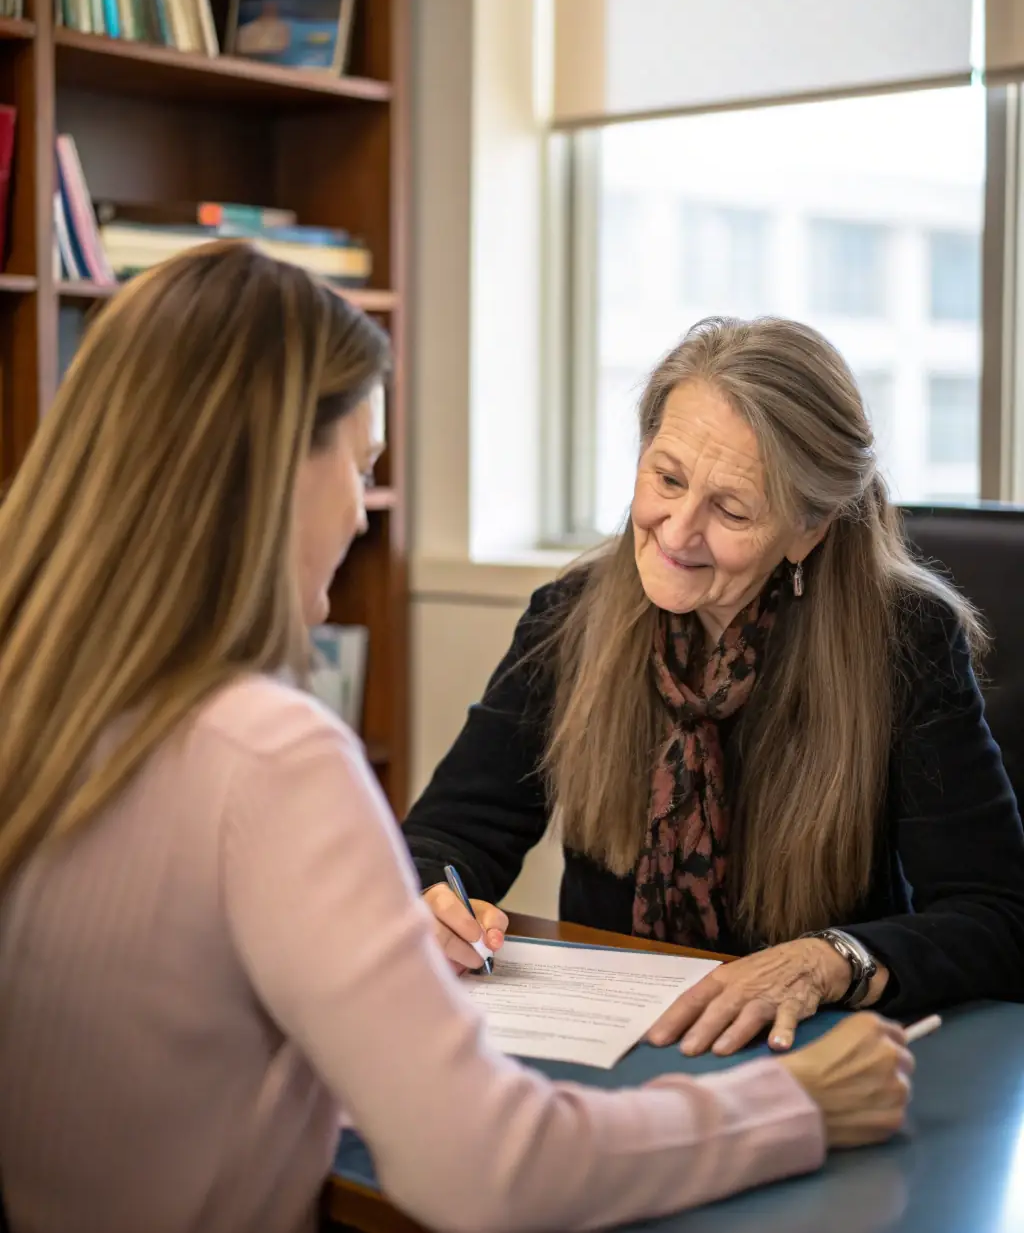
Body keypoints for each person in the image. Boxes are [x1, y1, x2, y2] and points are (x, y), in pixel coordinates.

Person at [0, 254, 913, 1233]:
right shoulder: (272, 758)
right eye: (358, 468)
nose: (361, 510)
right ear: (267, 476)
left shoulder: (41, 702)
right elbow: (490, 1170)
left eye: (730, 508)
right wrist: (801, 1103)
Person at [405, 315, 1024, 1058]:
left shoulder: (904, 641)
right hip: (624, 1054)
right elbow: (443, 838)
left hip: (817, 1058)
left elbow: (997, 917)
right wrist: (434, 898)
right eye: (666, 478)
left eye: (731, 508)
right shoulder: (570, 616)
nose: (676, 531)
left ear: (811, 527)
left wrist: (830, 960)